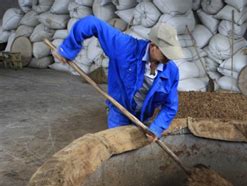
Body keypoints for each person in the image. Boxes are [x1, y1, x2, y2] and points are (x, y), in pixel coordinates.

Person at [53, 16, 184, 142]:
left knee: (138, 149)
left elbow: (170, 106)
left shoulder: (171, 72)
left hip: (143, 116)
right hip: (119, 109)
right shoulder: (125, 48)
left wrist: (156, 128)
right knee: (117, 144)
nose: (169, 57)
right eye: (166, 52)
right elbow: (92, 23)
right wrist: (67, 50)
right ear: (153, 46)